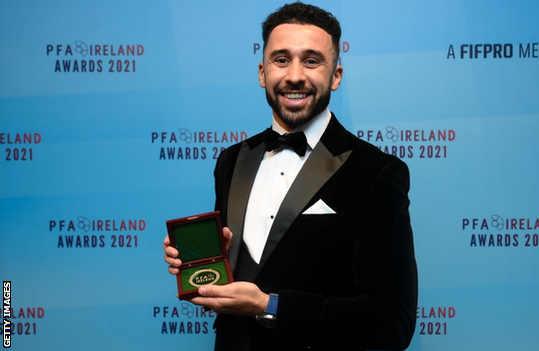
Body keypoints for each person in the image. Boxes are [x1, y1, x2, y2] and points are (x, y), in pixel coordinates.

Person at [163, 3, 418, 350]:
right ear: (262, 72)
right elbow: (249, 273)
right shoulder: (231, 160)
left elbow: (392, 322)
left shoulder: (377, 172)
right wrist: (207, 260)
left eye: (311, 60)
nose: (294, 75)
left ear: (336, 76)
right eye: (281, 59)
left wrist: (269, 305)